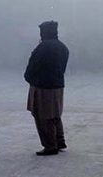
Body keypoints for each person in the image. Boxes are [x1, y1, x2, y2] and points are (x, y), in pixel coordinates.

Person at [24, 21, 70, 156]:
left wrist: (30, 78)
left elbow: (32, 67)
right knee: (55, 115)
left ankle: (50, 146)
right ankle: (59, 141)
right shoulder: (63, 47)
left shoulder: (43, 47)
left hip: (43, 87)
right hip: (58, 85)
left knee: (43, 117)